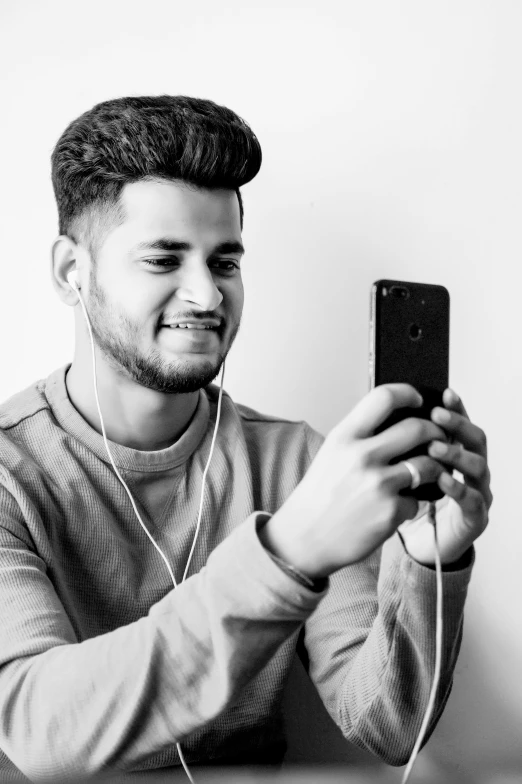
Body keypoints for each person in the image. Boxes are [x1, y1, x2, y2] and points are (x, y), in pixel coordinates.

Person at [0, 95, 492, 782]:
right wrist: (289, 553)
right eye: (165, 260)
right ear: (69, 272)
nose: (206, 295)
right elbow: (35, 728)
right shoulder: (9, 475)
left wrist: (426, 561)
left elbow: (387, 730)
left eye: (225, 262)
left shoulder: (299, 463)